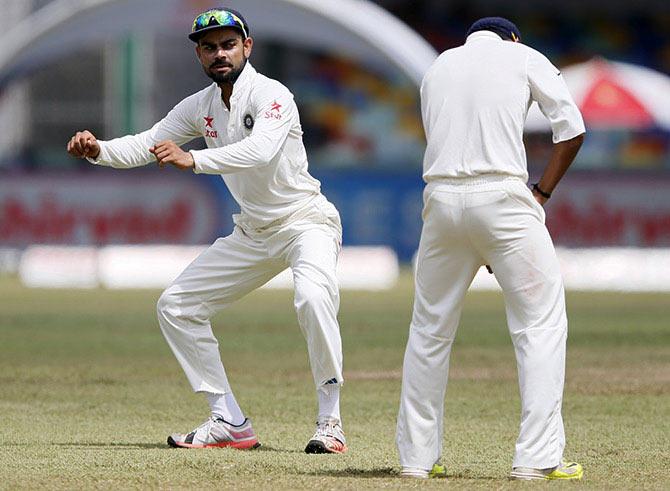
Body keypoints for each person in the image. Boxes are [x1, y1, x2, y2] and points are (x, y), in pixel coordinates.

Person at [66, 7, 347, 455]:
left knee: (312, 297)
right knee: (176, 306)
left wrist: (193, 160)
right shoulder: (202, 106)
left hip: (305, 221)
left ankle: (330, 422)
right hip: (254, 231)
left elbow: (259, 151)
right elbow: (149, 141)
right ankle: (228, 421)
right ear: (199, 55)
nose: (219, 53)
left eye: (228, 44)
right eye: (209, 47)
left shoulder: (274, 95)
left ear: (246, 47)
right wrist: (99, 149)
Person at [396, 17, 586, 480]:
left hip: (440, 201)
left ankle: (416, 461)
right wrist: (541, 192)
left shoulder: (439, 65)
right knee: (539, 325)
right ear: (512, 37)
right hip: (503, 195)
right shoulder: (523, 56)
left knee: (428, 331)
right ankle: (536, 459)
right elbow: (572, 128)